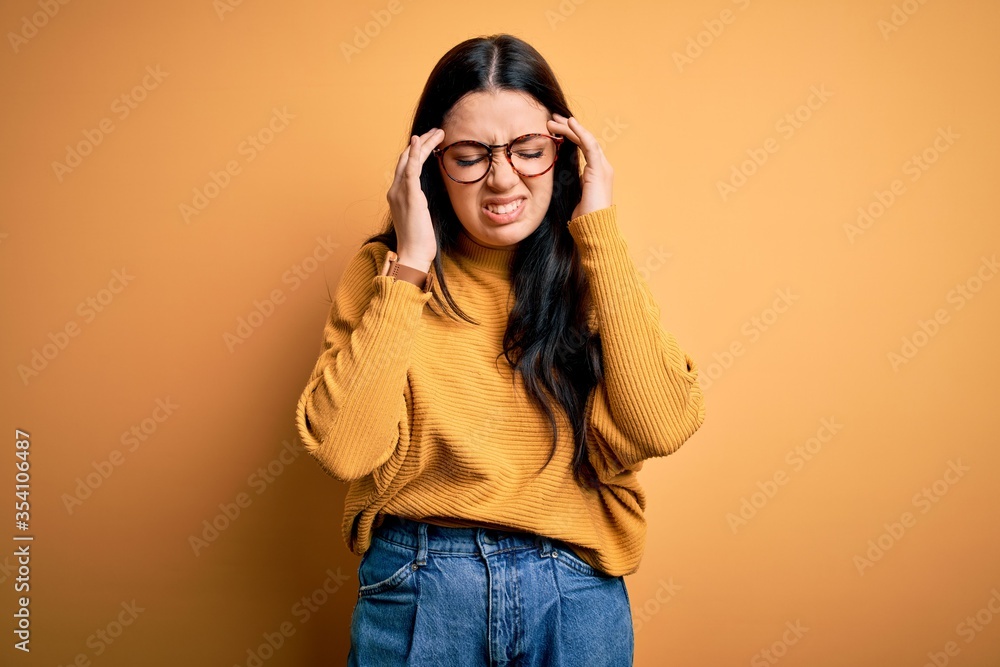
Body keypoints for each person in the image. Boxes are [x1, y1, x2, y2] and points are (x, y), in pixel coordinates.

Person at [294, 33, 706, 666]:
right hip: (421, 585)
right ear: (430, 164)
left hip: (574, 593)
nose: (502, 177)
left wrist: (598, 233)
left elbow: (661, 424)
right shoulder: (386, 273)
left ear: (563, 153)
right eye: (470, 156)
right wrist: (411, 265)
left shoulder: (594, 270)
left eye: (528, 150)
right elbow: (346, 449)